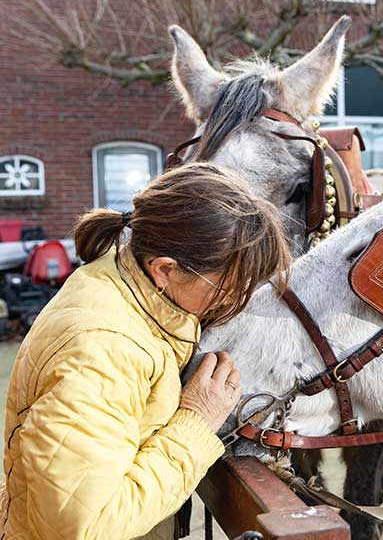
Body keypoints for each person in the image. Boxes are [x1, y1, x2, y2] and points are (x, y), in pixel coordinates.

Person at [1, 162, 290, 539]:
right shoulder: (104, 350)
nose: (236, 299)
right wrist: (197, 422)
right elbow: (85, 525)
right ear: (165, 269)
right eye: (229, 286)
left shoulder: (129, 284)